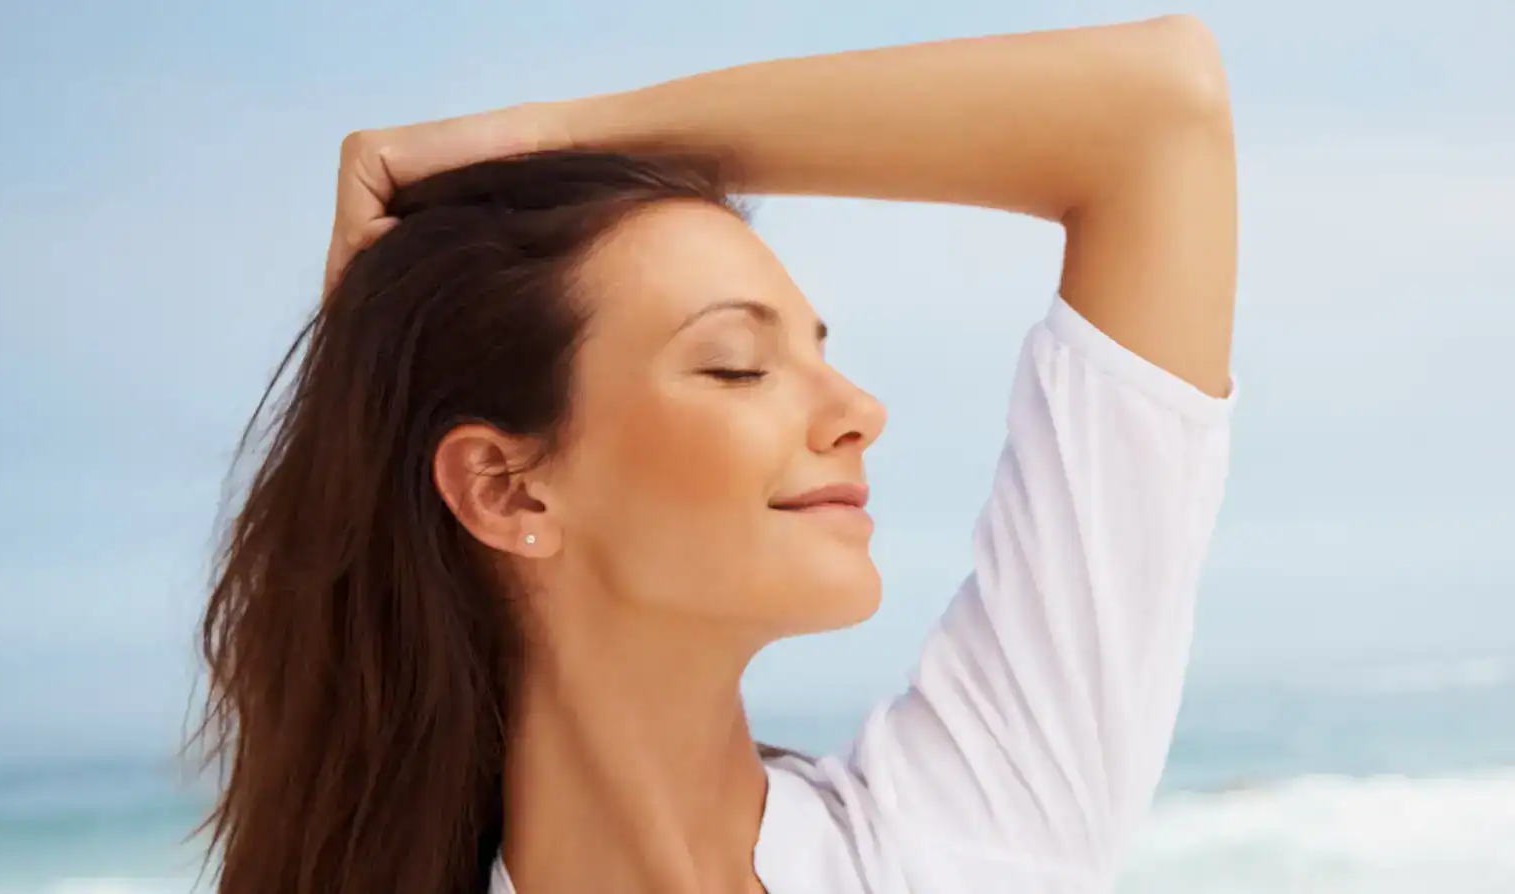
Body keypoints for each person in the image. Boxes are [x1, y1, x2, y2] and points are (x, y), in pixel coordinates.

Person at [196, 15, 1237, 894]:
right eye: (737, 365)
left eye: (818, 351)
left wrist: (546, 141)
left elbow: (1156, 116)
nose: (859, 410)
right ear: (505, 486)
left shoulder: (965, 833)